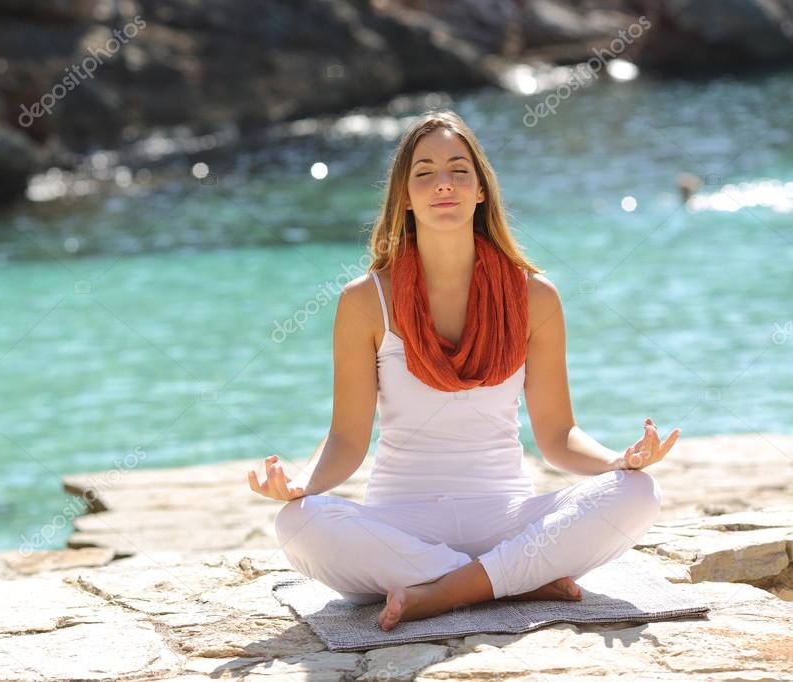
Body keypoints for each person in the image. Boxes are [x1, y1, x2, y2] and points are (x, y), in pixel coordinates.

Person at [247, 110, 681, 632]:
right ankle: (513, 581)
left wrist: (619, 460)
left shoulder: (534, 297)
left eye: (459, 170)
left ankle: (447, 589)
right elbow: (345, 437)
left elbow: (558, 435)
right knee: (298, 524)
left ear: (481, 190)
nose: (443, 185)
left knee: (638, 492)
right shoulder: (366, 301)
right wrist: (300, 484)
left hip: (506, 518)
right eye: (424, 173)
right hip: (401, 525)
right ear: (404, 197)